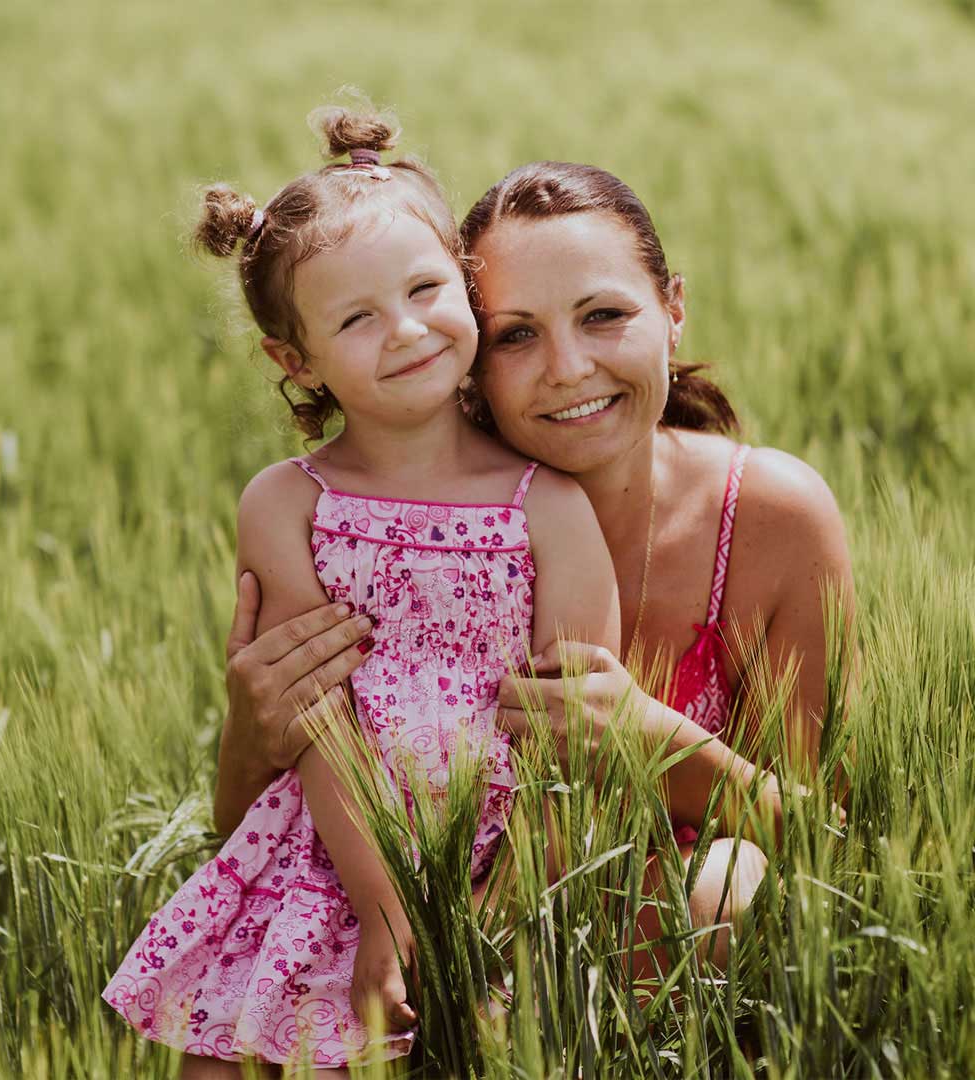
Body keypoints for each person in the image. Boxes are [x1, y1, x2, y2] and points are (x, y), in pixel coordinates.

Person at [217, 161, 855, 976]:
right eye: (517, 333)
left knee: (723, 890)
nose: (567, 368)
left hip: (649, 945)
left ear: (674, 310)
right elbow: (252, 847)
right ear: (473, 350)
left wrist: (651, 741)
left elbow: (825, 839)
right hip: (415, 930)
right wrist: (248, 739)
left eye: (604, 315)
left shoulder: (772, 514)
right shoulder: (391, 542)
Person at [101, 105, 624, 1077]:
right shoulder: (286, 503)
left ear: (466, 289)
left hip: (502, 870)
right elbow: (318, 721)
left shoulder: (549, 503)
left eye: (427, 289)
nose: (408, 329)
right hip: (329, 862)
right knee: (224, 1061)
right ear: (293, 360)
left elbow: (577, 742)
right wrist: (387, 911)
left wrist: (474, 926)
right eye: (356, 318)